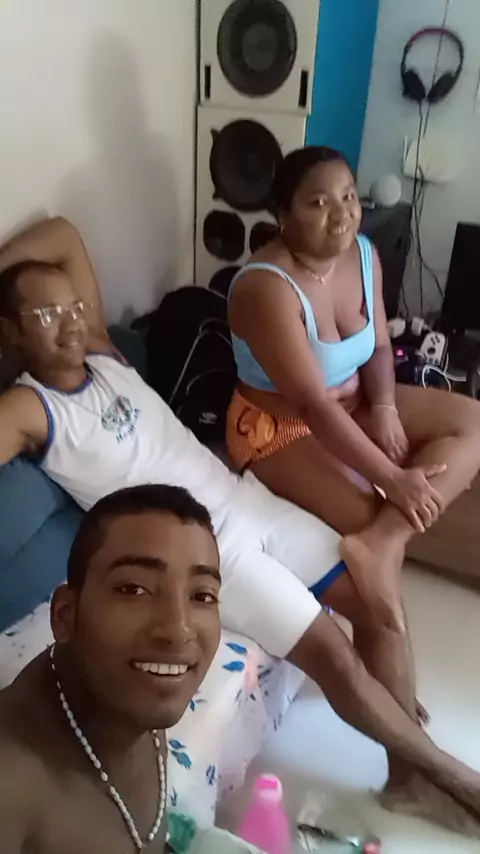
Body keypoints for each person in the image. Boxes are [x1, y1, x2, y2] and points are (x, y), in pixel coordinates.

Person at [1, 217, 480, 834]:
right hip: (208, 553)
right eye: (45, 315)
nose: (69, 322)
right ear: (10, 331)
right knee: (335, 659)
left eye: (71, 307)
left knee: (376, 597)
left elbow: (63, 233)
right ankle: (446, 775)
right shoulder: (28, 408)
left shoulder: (100, 351)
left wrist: (47, 302)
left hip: (245, 500)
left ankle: (409, 774)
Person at [227, 145, 480, 630]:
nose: (341, 213)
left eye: (347, 196)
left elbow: (380, 345)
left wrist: (384, 407)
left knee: (472, 421)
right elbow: (312, 405)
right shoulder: (265, 288)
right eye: (318, 203)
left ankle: (381, 544)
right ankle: (380, 538)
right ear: (282, 215)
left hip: (354, 401)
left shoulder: (363, 253)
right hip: (280, 427)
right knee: (375, 507)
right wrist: (393, 477)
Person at [0, 483, 267, 853]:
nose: (178, 630)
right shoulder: (12, 786)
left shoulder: (131, 702)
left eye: (202, 595)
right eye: (134, 589)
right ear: (65, 614)